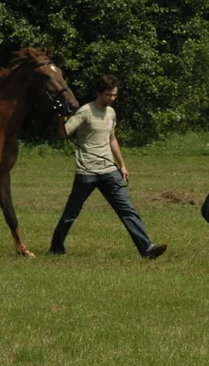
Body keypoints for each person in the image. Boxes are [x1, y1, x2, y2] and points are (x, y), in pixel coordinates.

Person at [49, 74, 167, 259]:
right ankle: (56, 248)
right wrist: (62, 118)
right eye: (109, 95)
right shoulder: (85, 111)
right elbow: (64, 134)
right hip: (86, 172)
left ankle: (147, 249)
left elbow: (112, 140)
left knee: (127, 210)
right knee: (71, 213)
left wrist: (122, 165)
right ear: (98, 93)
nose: (112, 98)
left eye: (115, 95)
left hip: (109, 171)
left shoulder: (111, 113)